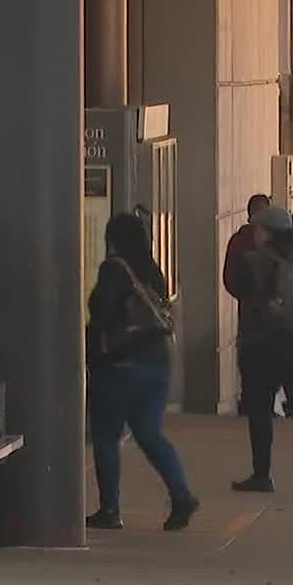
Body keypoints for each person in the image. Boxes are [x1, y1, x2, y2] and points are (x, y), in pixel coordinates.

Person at [86, 212, 199, 532]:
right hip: (157, 362)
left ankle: (110, 508)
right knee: (149, 432)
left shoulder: (114, 269)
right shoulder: (153, 271)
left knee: (106, 435)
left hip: (120, 364)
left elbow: (103, 311)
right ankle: (181, 493)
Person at [229, 204, 293, 495]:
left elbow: (237, 287)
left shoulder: (254, 261)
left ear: (265, 232)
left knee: (260, 410)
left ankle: (262, 474)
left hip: (263, 345)